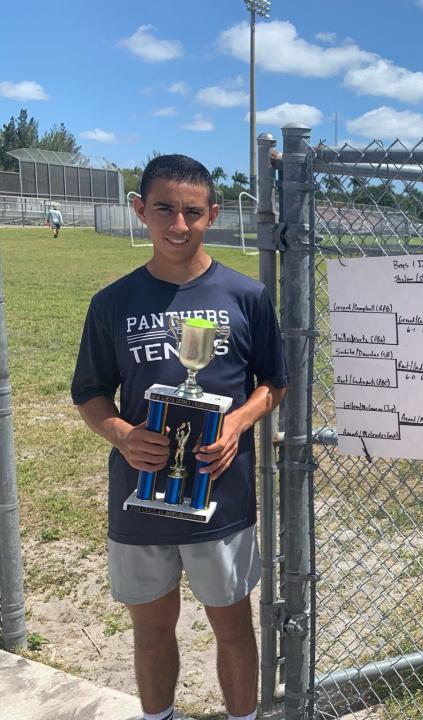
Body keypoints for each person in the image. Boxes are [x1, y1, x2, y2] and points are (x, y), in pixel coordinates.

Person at [72, 154, 287, 720]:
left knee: (234, 626)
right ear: (140, 209)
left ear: (212, 214)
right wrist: (122, 434)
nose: (178, 225)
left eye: (192, 212)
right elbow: (90, 393)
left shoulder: (245, 297)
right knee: (151, 628)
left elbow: (274, 383)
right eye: (164, 208)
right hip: (141, 497)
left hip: (222, 497)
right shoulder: (113, 303)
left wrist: (239, 422)